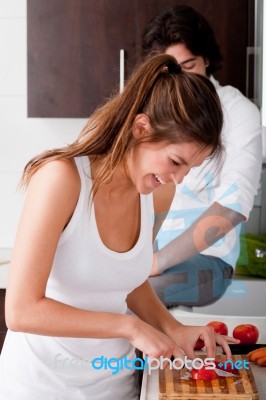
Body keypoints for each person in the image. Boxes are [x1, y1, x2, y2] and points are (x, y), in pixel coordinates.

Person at [0, 54, 240, 400]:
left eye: (189, 168)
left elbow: (127, 278)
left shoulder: (158, 192)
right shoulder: (62, 179)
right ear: (140, 128)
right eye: (176, 161)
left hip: (115, 385)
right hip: (40, 387)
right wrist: (129, 327)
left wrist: (173, 328)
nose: (178, 178)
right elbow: (21, 311)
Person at [141, 5, 262, 308]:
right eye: (173, 70)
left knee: (141, 294)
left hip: (209, 263)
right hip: (144, 253)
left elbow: (234, 205)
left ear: (207, 60)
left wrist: (157, 261)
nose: (183, 80)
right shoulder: (154, 112)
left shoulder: (238, 113)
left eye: (190, 64)